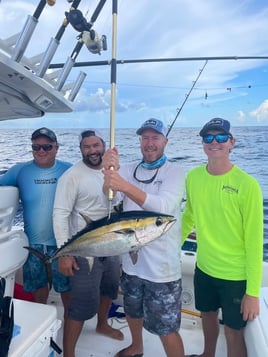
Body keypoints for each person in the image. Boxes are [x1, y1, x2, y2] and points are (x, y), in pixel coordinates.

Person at [103, 118, 186, 357]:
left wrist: (124, 186)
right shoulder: (127, 170)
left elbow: (164, 207)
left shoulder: (175, 172)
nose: (150, 143)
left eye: (155, 138)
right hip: (131, 262)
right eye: (145, 138)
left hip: (162, 269)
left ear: (165, 141)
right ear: (139, 141)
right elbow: (110, 201)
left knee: (166, 328)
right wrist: (108, 178)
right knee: (132, 311)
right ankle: (137, 346)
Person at [182, 118, 264, 357]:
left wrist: (253, 293)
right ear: (202, 143)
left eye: (220, 137)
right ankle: (207, 354)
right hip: (205, 268)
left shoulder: (247, 185)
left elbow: (254, 242)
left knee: (233, 331)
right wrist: (170, 248)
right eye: (208, 137)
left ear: (232, 142)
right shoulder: (193, 177)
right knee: (206, 316)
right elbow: (189, 216)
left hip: (236, 276)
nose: (214, 142)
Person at [53, 129, 123, 357]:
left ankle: (102, 324)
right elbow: (60, 214)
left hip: (113, 245)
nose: (92, 150)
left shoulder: (112, 173)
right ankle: (69, 353)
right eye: (87, 147)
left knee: (110, 289)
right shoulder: (72, 176)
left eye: (96, 146)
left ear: (104, 147)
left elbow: (120, 202)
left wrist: (114, 173)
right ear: (81, 149)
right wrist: (65, 252)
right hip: (85, 251)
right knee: (81, 305)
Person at [0, 127, 71, 310]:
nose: (41, 151)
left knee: (68, 292)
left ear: (56, 148)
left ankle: (68, 328)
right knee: (39, 294)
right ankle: (42, 325)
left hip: (63, 244)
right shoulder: (19, 171)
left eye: (46, 147)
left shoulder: (69, 170)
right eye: (36, 147)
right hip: (33, 244)